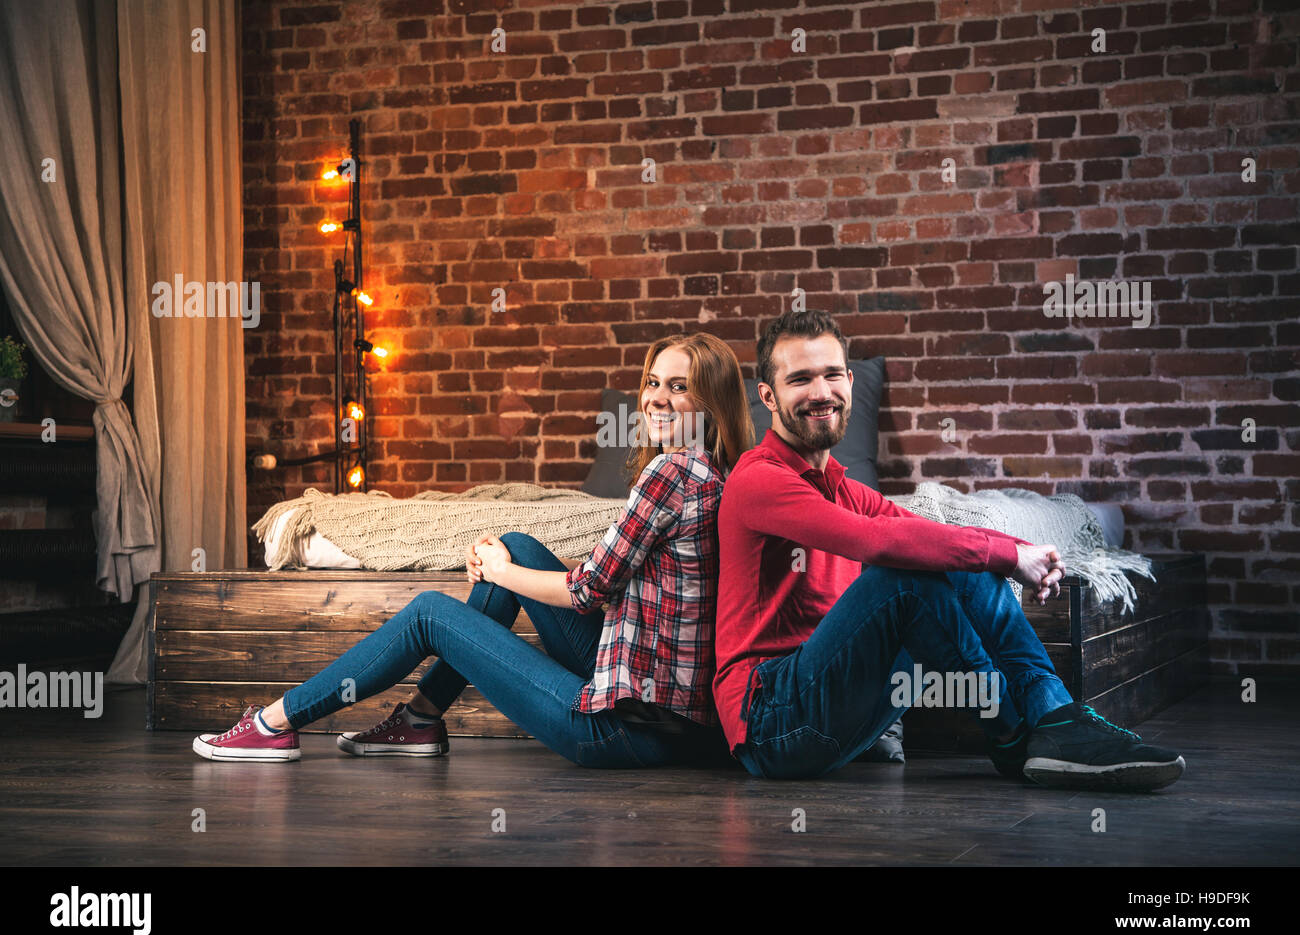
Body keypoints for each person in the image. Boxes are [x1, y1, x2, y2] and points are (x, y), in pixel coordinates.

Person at [194, 332, 754, 769]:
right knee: (514, 542)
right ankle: (419, 719)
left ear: (711, 400)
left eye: (678, 388)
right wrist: (506, 561)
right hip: (670, 717)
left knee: (431, 613)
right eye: (654, 383)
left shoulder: (671, 470)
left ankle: (273, 723)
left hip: (619, 729)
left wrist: (499, 573)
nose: (657, 398)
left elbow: (585, 591)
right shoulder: (717, 471)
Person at [713, 310, 1186, 791]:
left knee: (946, 552)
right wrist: (1007, 559)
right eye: (800, 379)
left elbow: (926, 530)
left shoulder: (844, 489)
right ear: (768, 396)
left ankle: (1057, 717)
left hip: (836, 712)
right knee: (904, 575)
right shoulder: (758, 479)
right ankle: (1014, 736)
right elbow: (876, 540)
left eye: (832, 374)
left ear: (850, 381)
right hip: (772, 723)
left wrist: (1024, 550)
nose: (820, 392)